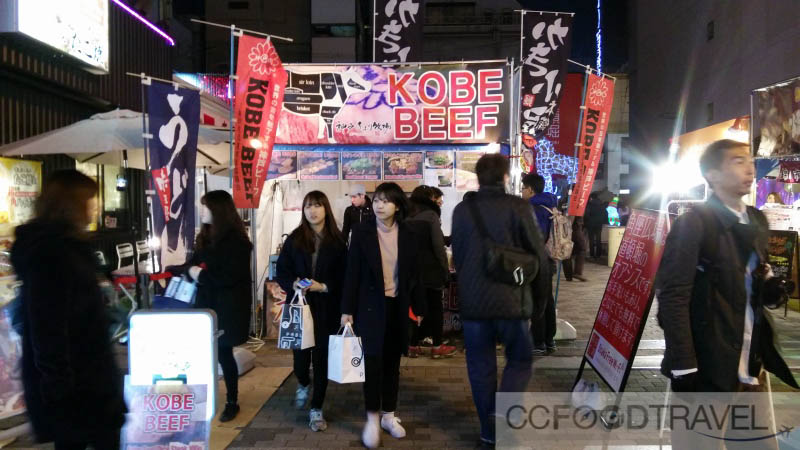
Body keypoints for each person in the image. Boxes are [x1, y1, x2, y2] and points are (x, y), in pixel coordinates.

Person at [656, 140, 798, 448]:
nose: (749, 168)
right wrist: (684, 364)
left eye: (749, 161)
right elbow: (672, 295)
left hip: (751, 364)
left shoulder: (757, 219)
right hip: (707, 366)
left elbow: (753, 280)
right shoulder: (694, 223)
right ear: (712, 175)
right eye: (737, 161)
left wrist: (772, 288)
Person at [11, 170, 126, 449]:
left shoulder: (70, 248)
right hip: (77, 385)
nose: (94, 209)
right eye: (89, 201)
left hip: (89, 377)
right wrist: (60, 389)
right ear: (70, 206)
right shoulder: (50, 253)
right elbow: (47, 327)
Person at [452, 154, 550, 446]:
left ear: (478, 178)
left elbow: (458, 257)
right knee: (519, 360)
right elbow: (540, 259)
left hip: (473, 307)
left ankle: (487, 432)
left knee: (481, 368)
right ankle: (503, 414)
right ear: (506, 178)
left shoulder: (461, 211)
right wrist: (540, 305)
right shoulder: (519, 207)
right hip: (512, 303)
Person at [341, 182, 425, 449]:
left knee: (392, 364)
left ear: (397, 205)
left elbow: (415, 275)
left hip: (397, 307)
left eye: (386, 201)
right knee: (372, 365)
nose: (379, 205)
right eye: (376, 200)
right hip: (369, 308)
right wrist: (347, 310)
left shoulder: (410, 233)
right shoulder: (361, 231)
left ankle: (389, 415)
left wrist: (419, 308)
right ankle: (371, 418)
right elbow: (351, 273)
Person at [169, 190, 253, 422]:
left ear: (218, 210)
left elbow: (229, 276)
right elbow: (197, 263)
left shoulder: (237, 242)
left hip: (227, 308)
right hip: (205, 305)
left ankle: (232, 400)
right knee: (208, 353)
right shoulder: (206, 236)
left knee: (223, 353)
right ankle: (204, 397)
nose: (201, 211)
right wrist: (184, 269)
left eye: (205, 207)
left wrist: (198, 274)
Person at [276, 191, 346, 431]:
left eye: (317, 206)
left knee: (322, 360)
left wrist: (324, 286)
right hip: (299, 307)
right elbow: (282, 271)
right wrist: (293, 283)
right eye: (308, 206)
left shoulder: (337, 241)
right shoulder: (295, 238)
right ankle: (303, 383)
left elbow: (345, 277)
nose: (312, 211)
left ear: (326, 208)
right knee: (300, 361)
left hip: (326, 309)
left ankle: (317, 408)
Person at [407, 186, 456, 359]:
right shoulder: (431, 215)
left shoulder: (406, 213)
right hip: (430, 271)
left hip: (411, 270)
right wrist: (445, 271)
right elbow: (438, 246)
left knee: (414, 308)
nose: (440, 202)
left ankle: (412, 345)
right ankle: (436, 346)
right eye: (437, 198)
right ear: (429, 198)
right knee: (435, 309)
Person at [521, 173, 558, 355]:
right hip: (548, 259)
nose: (521, 192)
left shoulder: (534, 209)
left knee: (537, 300)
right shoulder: (549, 205)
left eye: (522, 188)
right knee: (546, 299)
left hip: (537, 259)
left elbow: (536, 236)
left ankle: (538, 341)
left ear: (530, 189)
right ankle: (549, 338)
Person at [558, 192, 587, 282]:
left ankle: (568, 276)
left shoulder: (562, 201)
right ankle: (577, 272)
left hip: (563, 229)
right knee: (582, 249)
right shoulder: (576, 201)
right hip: (575, 229)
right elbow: (571, 217)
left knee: (566, 251)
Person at [585, 193, 608, 260]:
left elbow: (586, 215)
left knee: (591, 240)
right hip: (599, 224)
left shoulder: (589, 205)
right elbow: (605, 214)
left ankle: (592, 255)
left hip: (591, 225)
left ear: (591, 198)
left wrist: (587, 222)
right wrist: (603, 221)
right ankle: (598, 255)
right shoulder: (601, 205)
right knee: (598, 239)